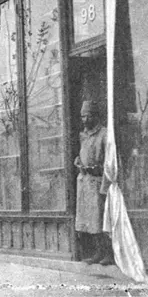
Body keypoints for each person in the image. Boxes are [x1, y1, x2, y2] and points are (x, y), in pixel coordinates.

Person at [74, 100, 114, 265]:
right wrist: (78, 161)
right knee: (90, 220)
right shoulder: (83, 135)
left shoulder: (104, 134)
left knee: (101, 218)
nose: (85, 120)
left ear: (96, 116)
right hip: (85, 182)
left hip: (98, 181)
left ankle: (109, 253)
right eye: (83, 116)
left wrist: (105, 186)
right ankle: (98, 252)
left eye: (88, 116)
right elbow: (82, 154)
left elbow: (110, 161)